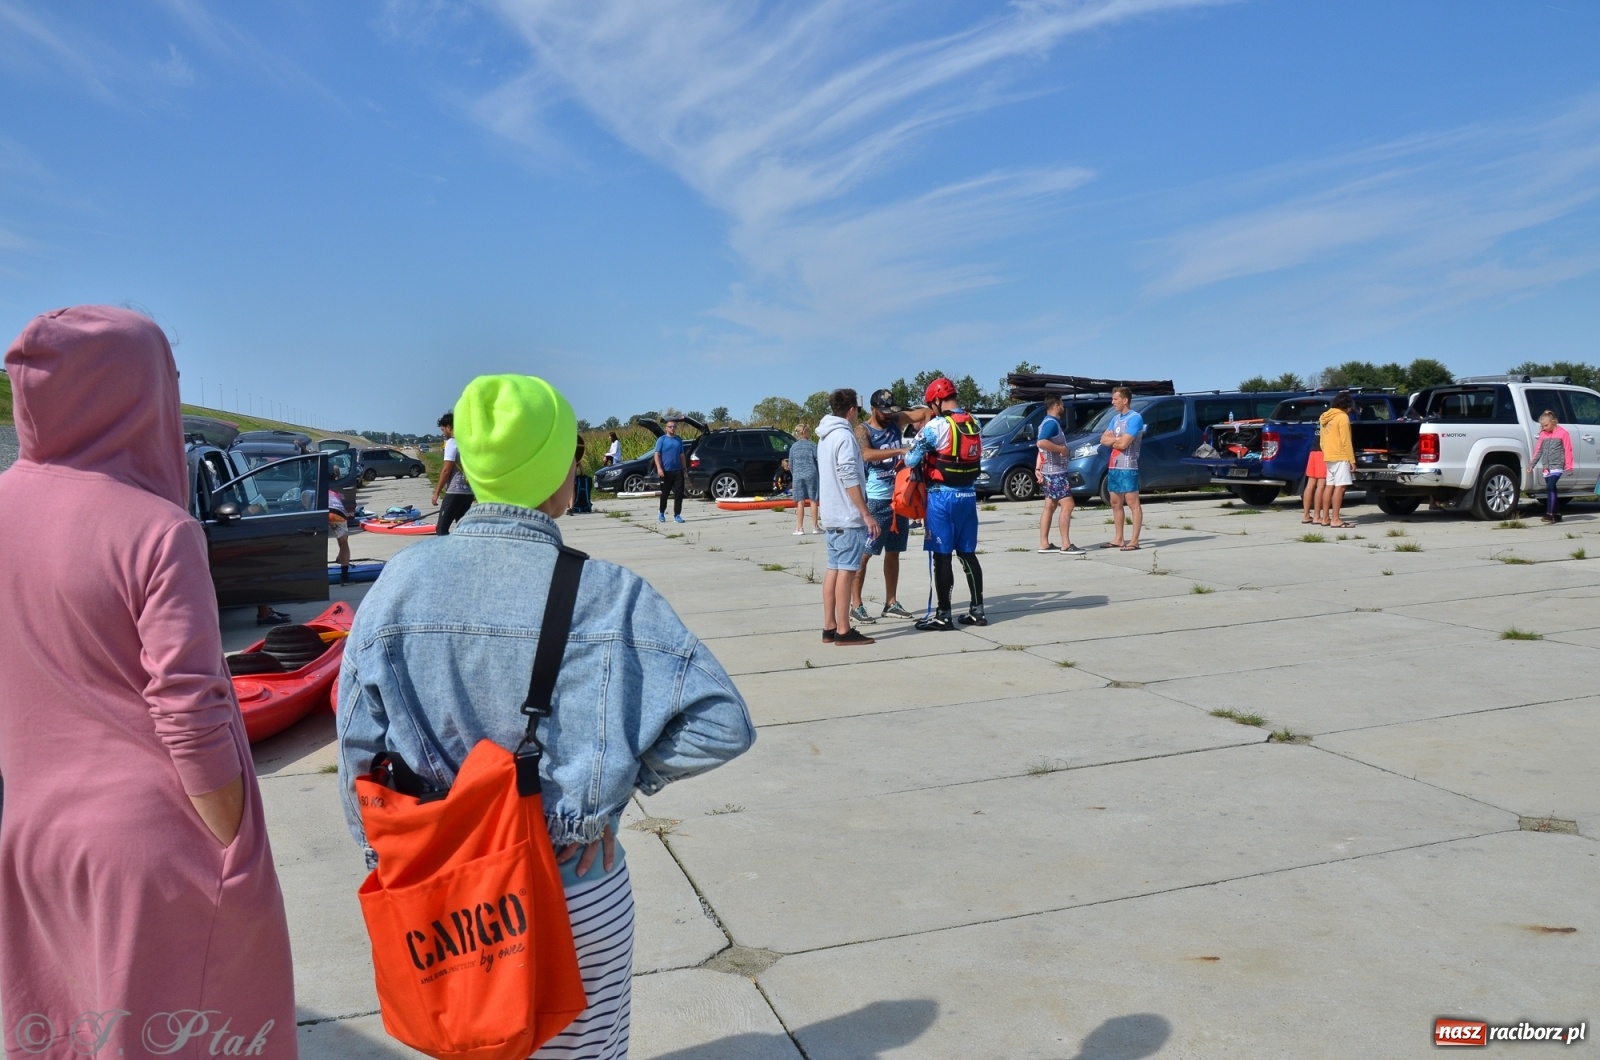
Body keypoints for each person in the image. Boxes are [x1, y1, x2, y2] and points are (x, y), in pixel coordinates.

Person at [338, 374, 755, 1060]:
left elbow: (358, 749)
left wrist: (387, 857)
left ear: (468, 464)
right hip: (574, 883)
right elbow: (723, 723)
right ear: (564, 471)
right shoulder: (610, 593)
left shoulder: (396, 586)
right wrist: (608, 790)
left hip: (449, 902)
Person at [0, 306, 296, 1057]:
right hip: (156, 850)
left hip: (32, 837)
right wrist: (229, 838)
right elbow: (189, 708)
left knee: (70, 1032)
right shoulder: (156, 529)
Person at [905, 377, 986, 630]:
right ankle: (977, 611)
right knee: (967, 554)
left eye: (932, 405)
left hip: (942, 497)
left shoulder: (936, 426)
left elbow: (910, 459)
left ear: (938, 401)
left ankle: (943, 614)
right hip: (968, 496)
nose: (932, 409)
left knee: (942, 557)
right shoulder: (975, 422)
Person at [851, 388, 922, 621]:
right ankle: (856, 605)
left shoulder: (896, 420)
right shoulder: (864, 429)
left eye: (891, 411)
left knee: (894, 552)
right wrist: (900, 450)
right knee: (865, 553)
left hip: (899, 498)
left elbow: (926, 412)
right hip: (876, 500)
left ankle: (891, 602)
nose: (888, 415)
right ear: (872, 409)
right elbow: (866, 454)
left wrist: (925, 430)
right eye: (883, 412)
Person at [816, 389, 879, 643]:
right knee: (847, 571)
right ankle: (844, 629)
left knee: (834, 568)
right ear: (851, 410)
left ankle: (829, 626)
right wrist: (865, 513)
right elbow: (849, 476)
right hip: (846, 515)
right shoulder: (844, 436)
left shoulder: (824, 435)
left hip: (831, 514)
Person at [1034, 395, 1083, 555]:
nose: (1063, 406)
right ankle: (1066, 544)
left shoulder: (1045, 423)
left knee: (1050, 506)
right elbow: (1041, 443)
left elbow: (1041, 449)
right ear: (1056, 405)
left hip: (1049, 471)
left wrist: (1038, 468)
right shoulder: (1051, 423)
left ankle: (1044, 543)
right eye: (1061, 403)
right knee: (1068, 505)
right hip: (1056, 473)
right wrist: (1061, 449)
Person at [1099, 387, 1144, 551]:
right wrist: (1114, 440)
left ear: (1125, 400)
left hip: (1128, 466)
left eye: (1115, 399)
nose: (1113, 402)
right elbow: (1103, 439)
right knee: (1115, 502)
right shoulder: (1115, 419)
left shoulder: (1135, 418)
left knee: (1133, 503)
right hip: (1114, 465)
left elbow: (1125, 444)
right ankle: (1119, 538)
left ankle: (1134, 540)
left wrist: (1113, 440)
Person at [1317, 393, 1356, 528]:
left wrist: (1326, 452)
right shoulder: (1342, 417)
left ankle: (1325, 518)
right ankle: (1336, 519)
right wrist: (1352, 460)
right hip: (1340, 456)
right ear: (1346, 405)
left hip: (1328, 456)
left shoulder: (1324, 417)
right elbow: (1346, 441)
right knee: (1341, 487)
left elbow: (1321, 441)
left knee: (1329, 486)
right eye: (1350, 406)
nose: (1351, 410)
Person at [433, 410, 476, 535]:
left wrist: (436, 492)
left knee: (441, 529)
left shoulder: (452, 443)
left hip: (455, 491)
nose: (443, 433)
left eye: (443, 429)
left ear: (449, 427)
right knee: (463, 528)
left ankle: (445, 554)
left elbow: (446, 470)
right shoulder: (467, 442)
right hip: (468, 492)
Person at [1531, 409, 1573, 523]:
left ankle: (1549, 513)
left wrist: (1569, 466)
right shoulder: (1543, 434)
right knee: (1552, 488)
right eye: (1542, 426)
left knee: (1550, 486)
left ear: (1553, 422)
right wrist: (1532, 464)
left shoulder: (1563, 433)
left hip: (1557, 465)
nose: (1544, 428)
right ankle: (1558, 514)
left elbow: (1568, 450)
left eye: (1546, 425)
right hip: (1546, 466)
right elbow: (1538, 450)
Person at [788, 422, 822, 534]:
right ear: (805, 432)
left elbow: (790, 464)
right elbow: (819, 459)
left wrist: (795, 473)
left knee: (800, 501)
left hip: (798, 475)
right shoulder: (812, 445)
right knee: (813, 500)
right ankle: (815, 526)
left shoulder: (793, 447)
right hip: (811, 474)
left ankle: (799, 527)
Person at [654, 417, 687, 523]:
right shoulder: (662, 440)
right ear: (666, 428)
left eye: (674, 427)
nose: (672, 428)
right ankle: (661, 512)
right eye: (670, 427)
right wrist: (659, 469)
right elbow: (657, 455)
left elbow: (682, 455)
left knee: (679, 493)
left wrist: (684, 469)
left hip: (677, 471)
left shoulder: (678, 440)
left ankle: (677, 515)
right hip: (665, 471)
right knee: (665, 494)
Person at [330, 485, 352, 583]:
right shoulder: (334, 494)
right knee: (343, 543)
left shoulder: (309, 492)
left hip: (326, 512)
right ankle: (344, 578)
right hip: (338, 514)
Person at [1302, 438, 1328, 525]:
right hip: (1322, 451)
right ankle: (1317, 516)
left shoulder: (1319, 424)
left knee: (1310, 483)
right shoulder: (1329, 424)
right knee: (1321, 484)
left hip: (1313, 451)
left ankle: (1306, 515)